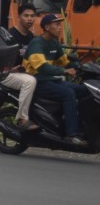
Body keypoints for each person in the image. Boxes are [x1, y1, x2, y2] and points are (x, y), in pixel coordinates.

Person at [23, 14, 90, 146]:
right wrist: (63, 71)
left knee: (84, 90)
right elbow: (42, 67)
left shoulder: (54, 42)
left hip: (50, 80)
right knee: (68, 94)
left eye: (60, 25)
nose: (60, 28)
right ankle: (72, 134)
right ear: (47, 27)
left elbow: (63, 61)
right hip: (37, 81)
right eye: (57, 25)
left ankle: (82, 125)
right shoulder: (37, 43)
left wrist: (80, 66)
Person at [0, 3, 40, 131]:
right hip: (6, 74)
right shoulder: (9, 35)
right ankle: (21, 119)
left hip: (22, 73)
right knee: (30, 82)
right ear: (19, 17)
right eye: (26, 16)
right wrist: (10, 69)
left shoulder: (31, 37)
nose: (29, 19)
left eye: (32, 16)